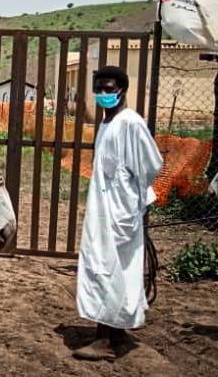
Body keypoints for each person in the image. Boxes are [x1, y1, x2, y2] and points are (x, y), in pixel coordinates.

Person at [73, 65, 163, 361]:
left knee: (108, 268)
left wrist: (132, 200)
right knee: (108, 267)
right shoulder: (107, 122)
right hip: (104, 207)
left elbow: (150, 164)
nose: (102, 94)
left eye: (108, 89)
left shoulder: (130, 123)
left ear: (122, 90)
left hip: (120, 210)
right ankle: (118, 332)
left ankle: (104, 341)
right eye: (98, 89)